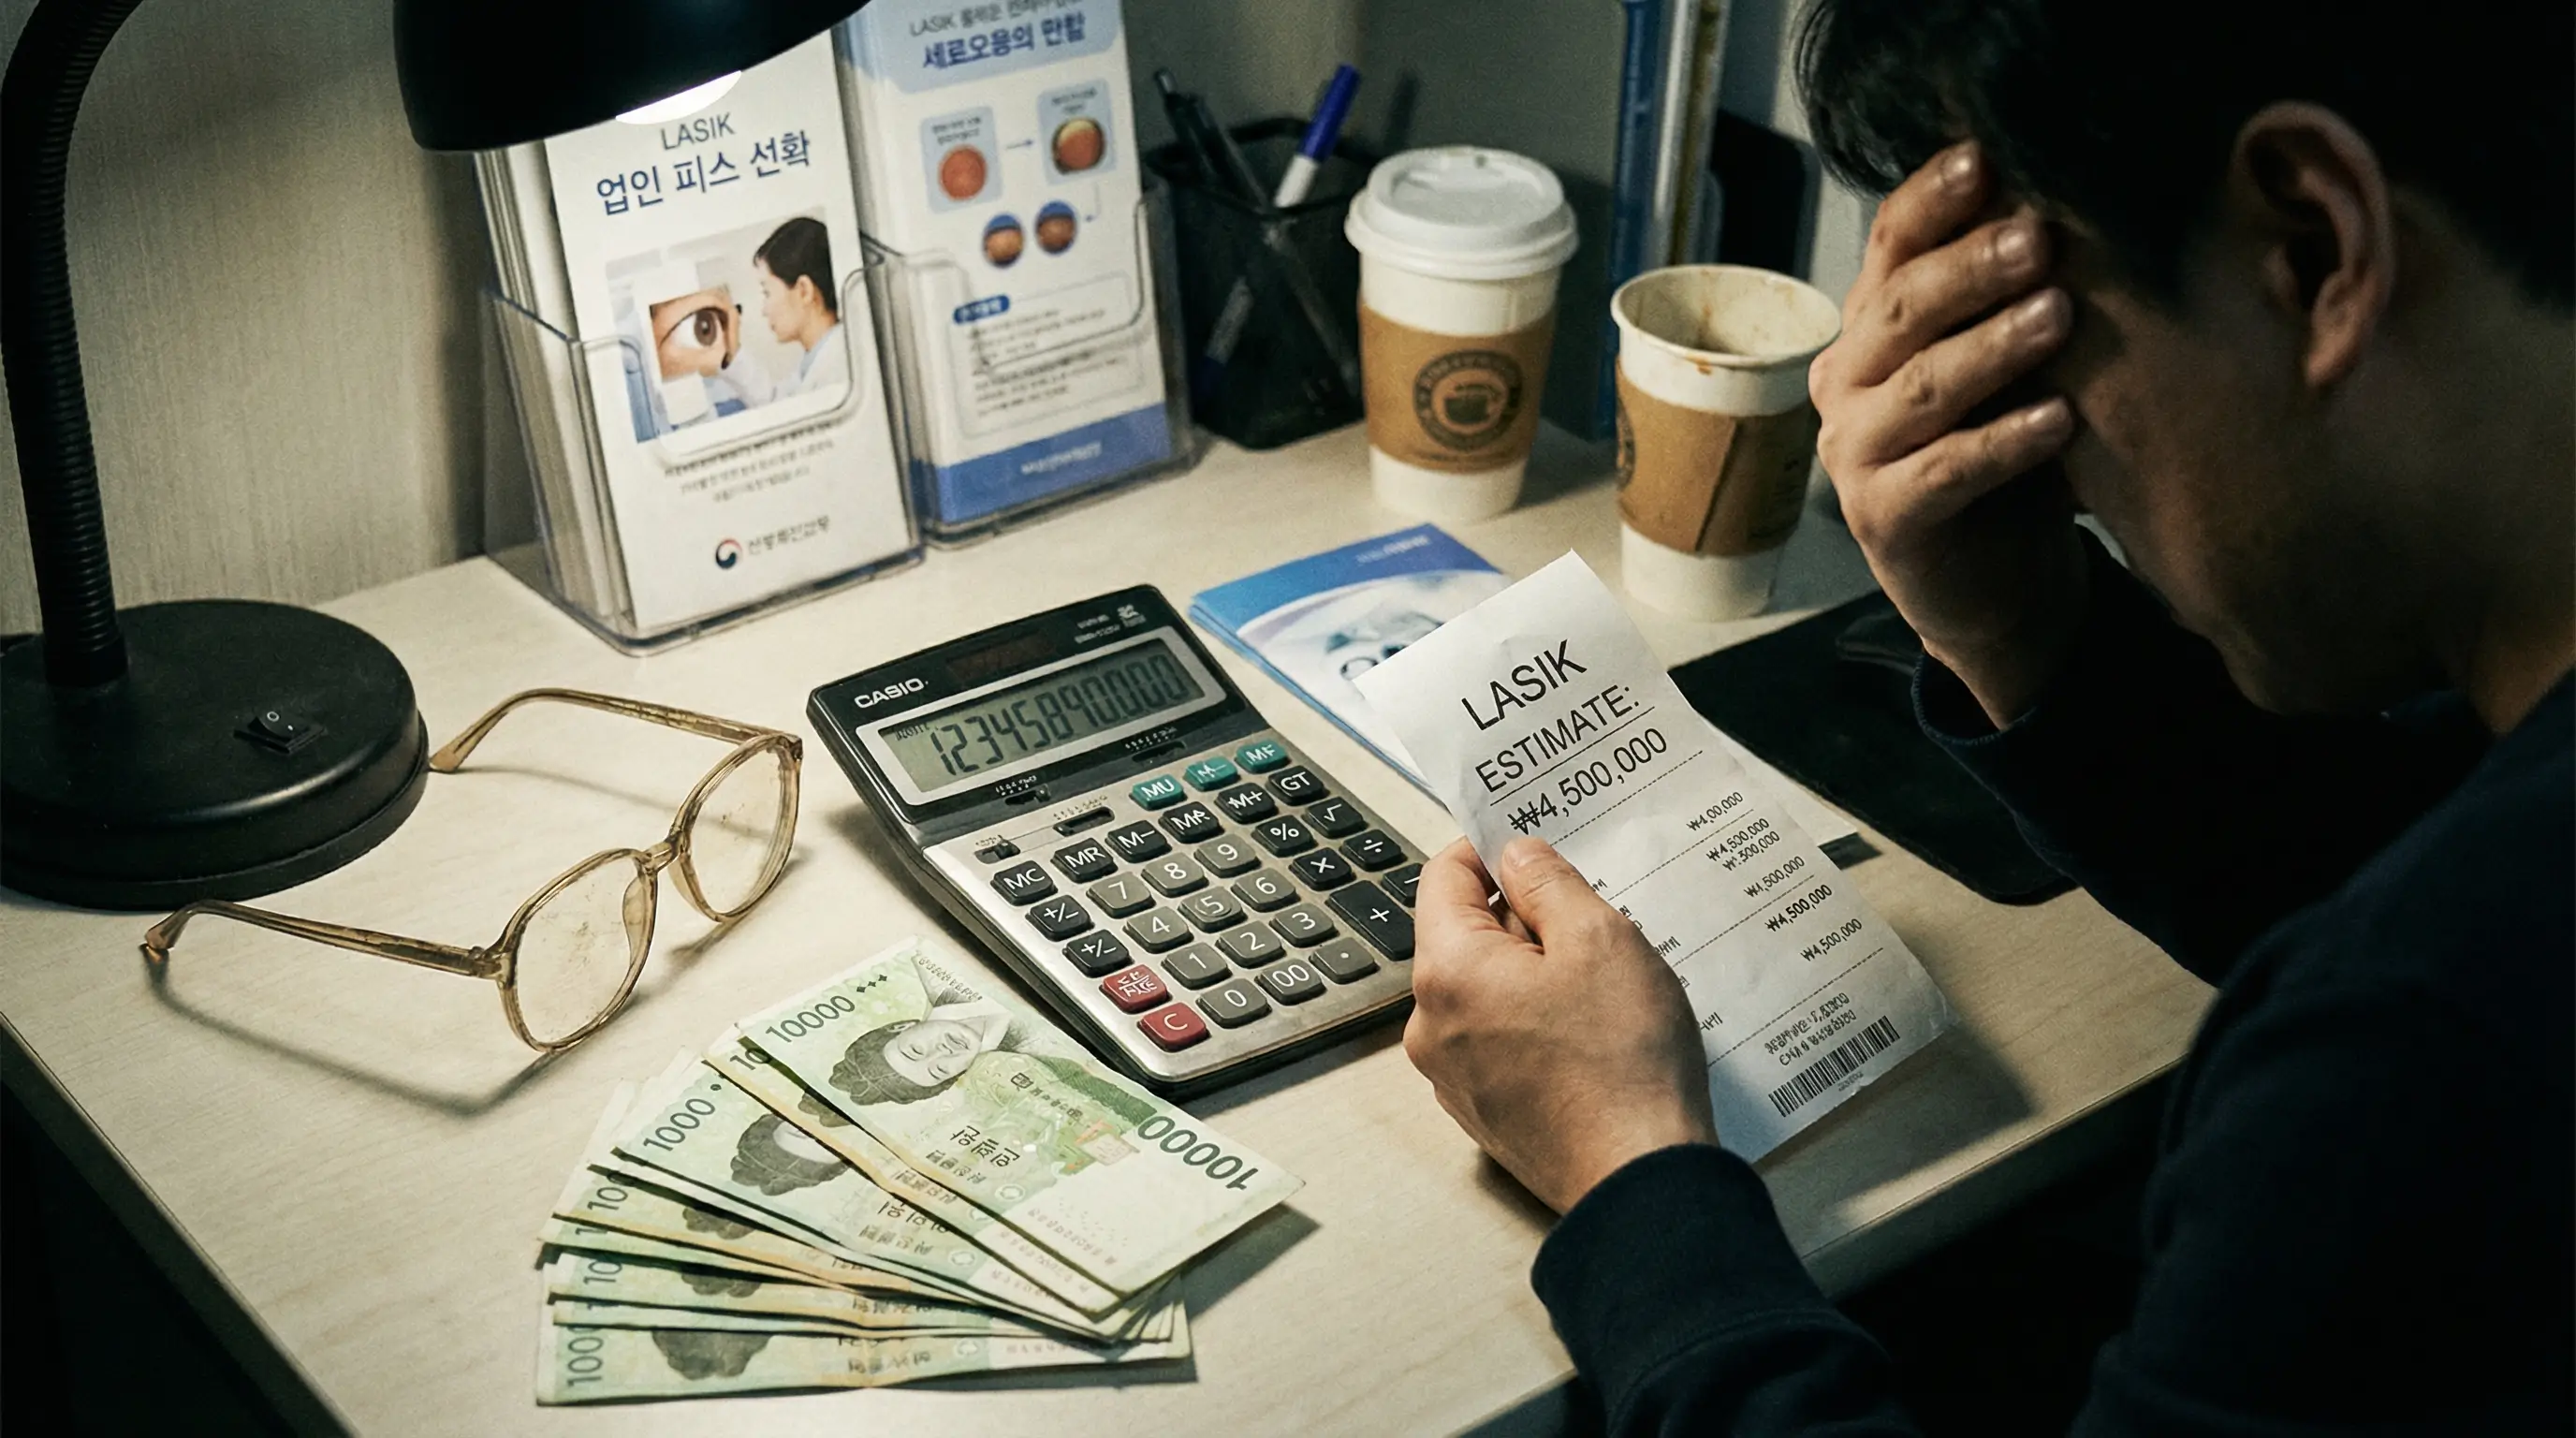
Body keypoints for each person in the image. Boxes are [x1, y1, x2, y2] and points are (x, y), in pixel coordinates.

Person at [1402, 2, 2571, 1431]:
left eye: (2048, 358)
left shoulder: (2415, 1058)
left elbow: (2433, 977)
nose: (2057, 469)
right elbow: (2404, 865)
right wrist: (2033, 631)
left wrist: (1630, 1175)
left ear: (2314, 248)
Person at [752, 216, 849, 401]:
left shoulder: (838, 369)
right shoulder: (814, 360)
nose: (764, 311)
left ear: (804, 291)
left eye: (767, 293)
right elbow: (776, 398)